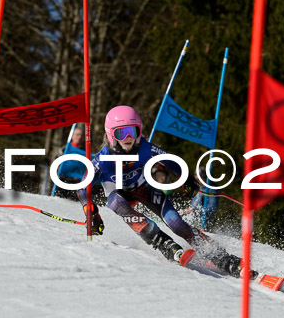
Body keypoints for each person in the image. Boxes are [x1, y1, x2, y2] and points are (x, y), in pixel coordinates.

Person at [77, 105, 256, 279]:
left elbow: (172, 161)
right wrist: (90, 209)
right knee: (116, 203)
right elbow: (82, 186)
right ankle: (161, 241)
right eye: (122, 133)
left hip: (142, 189)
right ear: (111, 135)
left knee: (176, 223)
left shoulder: (146, 149)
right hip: (119, 194)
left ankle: (222, 257)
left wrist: (186, 178)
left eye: (134, 130)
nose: (129, 137)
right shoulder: (103, 158)